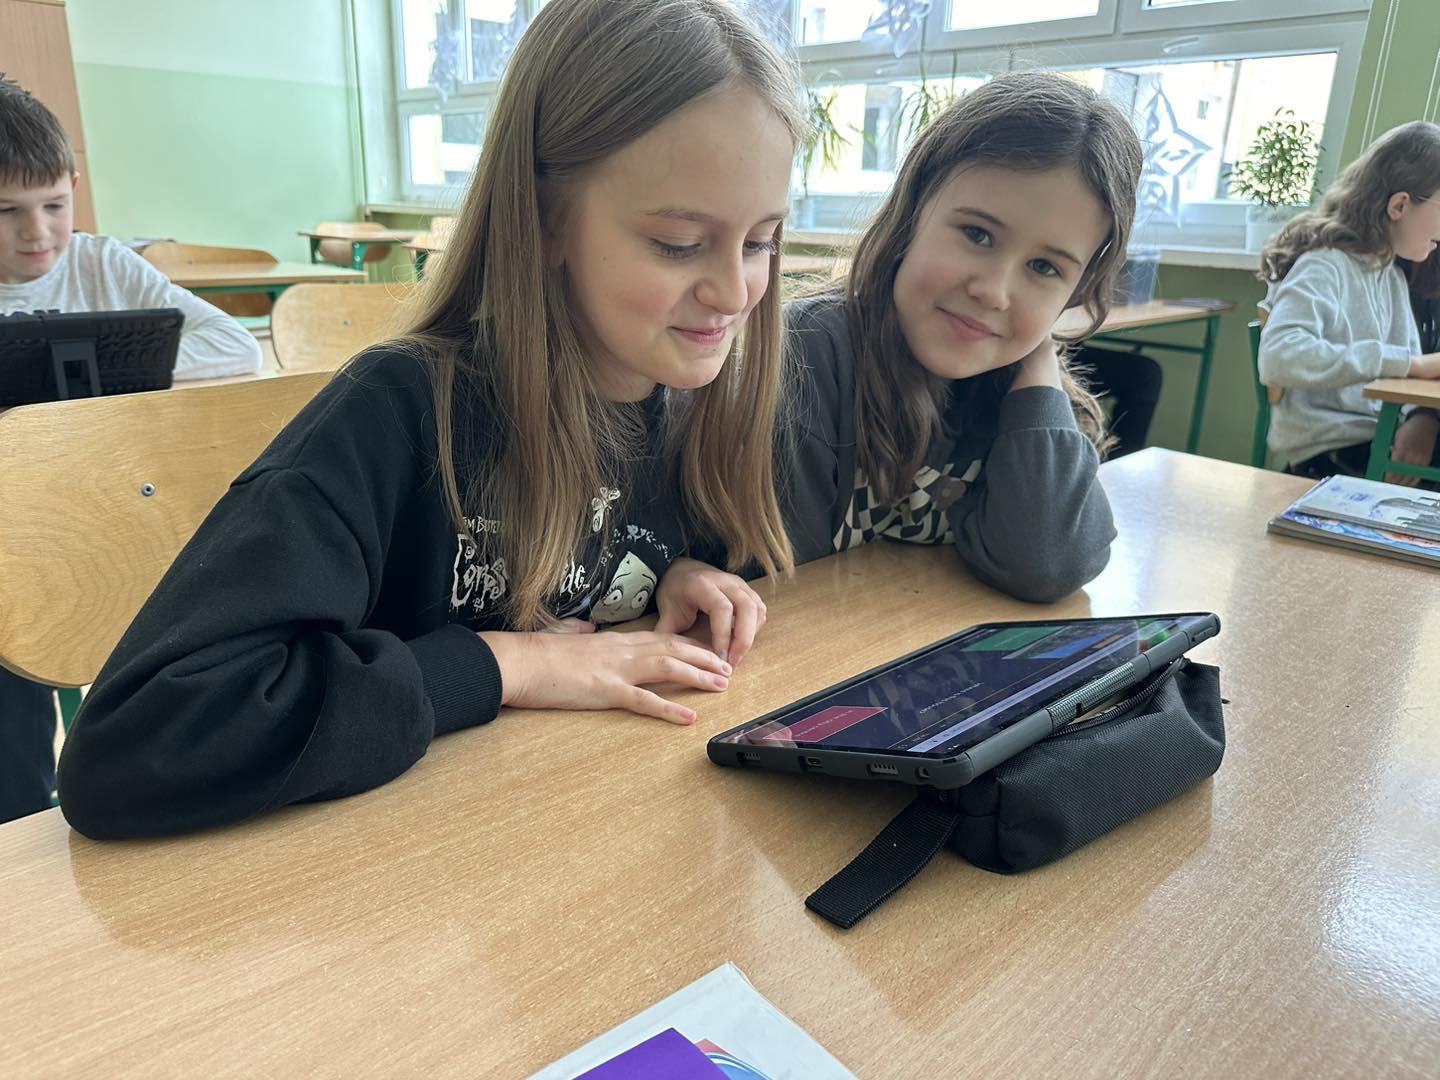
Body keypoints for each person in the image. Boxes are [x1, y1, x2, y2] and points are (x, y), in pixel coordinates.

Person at [55, 0, 802, 839]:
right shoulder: (398, 412)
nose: (735, 291)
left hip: (564, 836)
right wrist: (503, 663)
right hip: (382, 871)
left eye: (762, 241)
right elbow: (131, 748)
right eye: (679, 244)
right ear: (545, 219)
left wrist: (667, 574)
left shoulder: (685, 399)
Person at [0, 74, 263, 823]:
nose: (38, 232)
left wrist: (114, 371)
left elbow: (235, 346)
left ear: (75, 190)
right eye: (7, 212)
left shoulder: (102, 264)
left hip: (109, 517)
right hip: (13, 540)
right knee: (14, 728)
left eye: (55, 205)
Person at [777, 71, 1143, 602]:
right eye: (978, 234)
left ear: (1077, 290)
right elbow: (787, 591)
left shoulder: (1017, 390)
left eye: (1045, 268)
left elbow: (1050, 563)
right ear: (913, 211)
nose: (994, 291)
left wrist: (1039, 362)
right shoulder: (809, 354)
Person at [1258, 121, 1440, 483]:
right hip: (1333, 455)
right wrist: (1411, 364)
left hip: (1377, 437)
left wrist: (1419, 414)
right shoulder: (1325, 265)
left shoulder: (1388, 273)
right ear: (1400, 205)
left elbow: (1403, 376)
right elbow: (1278, 356)